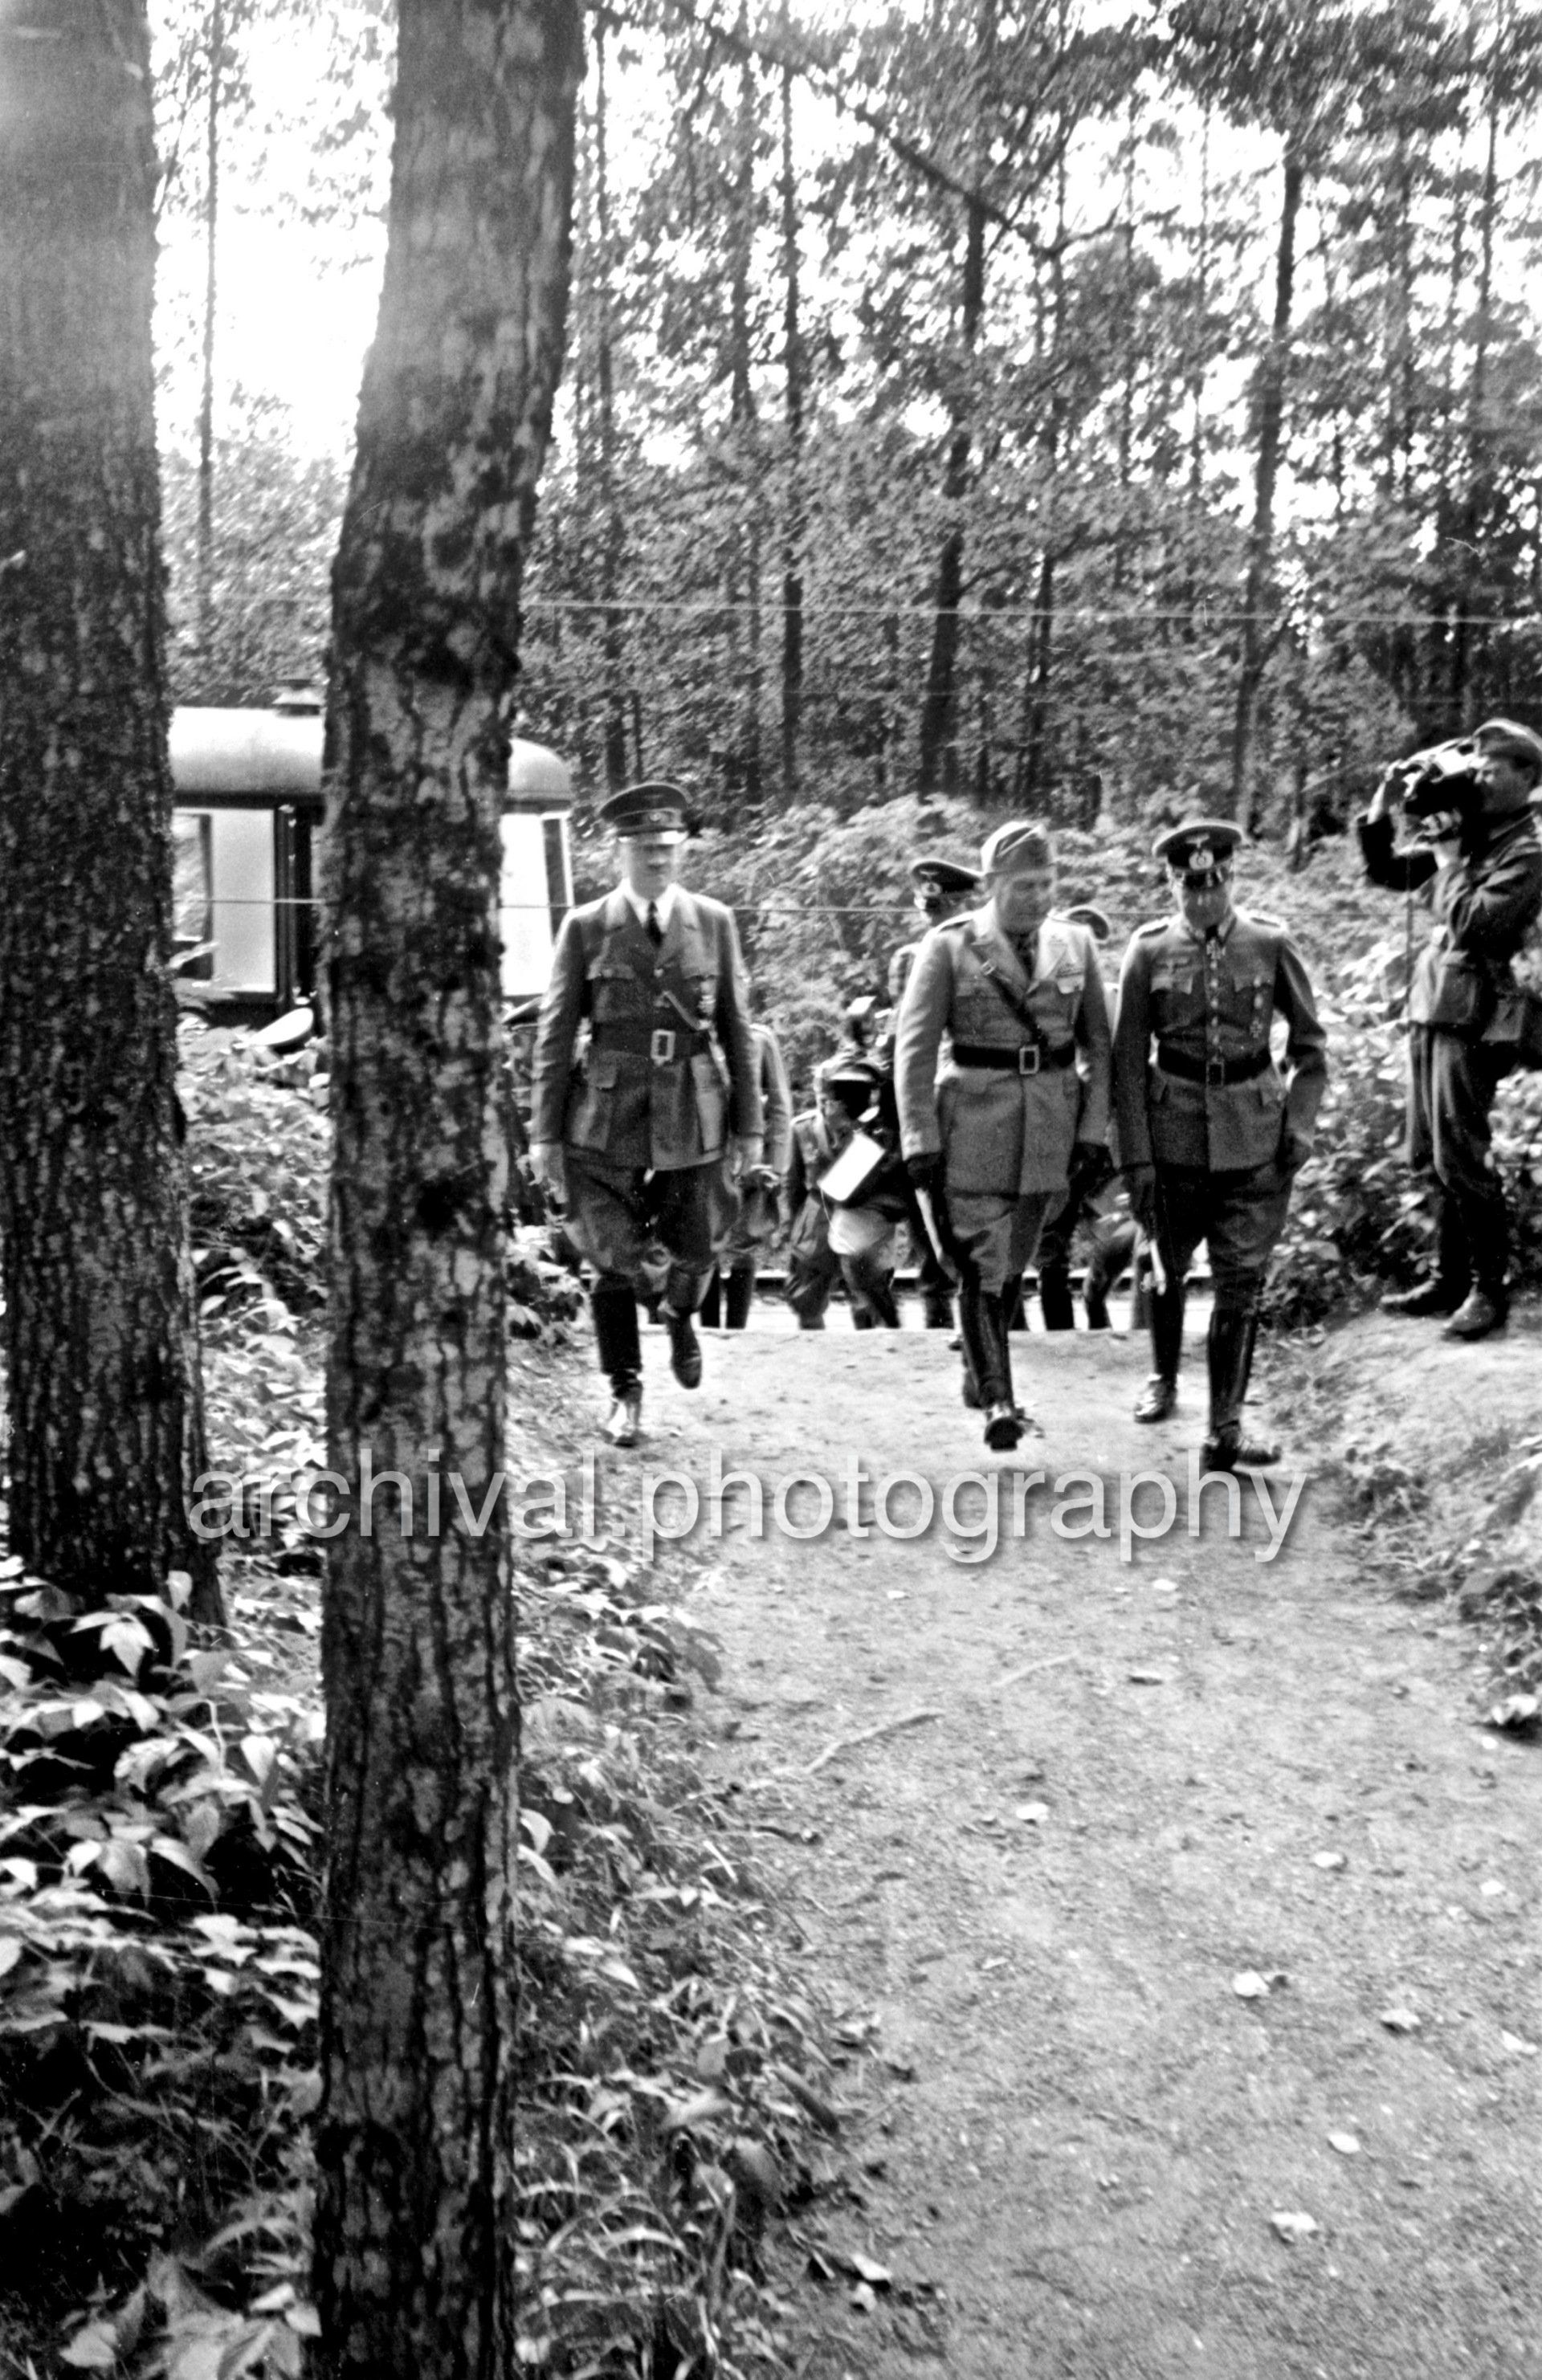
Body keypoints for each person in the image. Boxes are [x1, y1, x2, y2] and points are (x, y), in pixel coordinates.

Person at [528, 781, 763, 1445]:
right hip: (607, 1108)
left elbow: (738, 1030)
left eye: (669, 846)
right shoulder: (586, 925)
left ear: (682, 847)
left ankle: (682, 1314)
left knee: (698, 1242)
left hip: (694, 1104)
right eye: (645, 848)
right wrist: (545, 1131)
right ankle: (624, 1392)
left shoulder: (713, 921)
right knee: (611, 1256)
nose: (659, 860)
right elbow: (555, 1033)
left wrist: (750, 1126)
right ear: (620, 851)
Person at [1113, 819, 1328, 1472]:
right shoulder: (1147, 951)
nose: (1201, 900)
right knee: (1166, 1268)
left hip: (1254, 1135)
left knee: (1240, 1286)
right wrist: (1136, 1156)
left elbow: (1311, 1045)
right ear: (1171, 883)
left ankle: (1224, 1429)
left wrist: (1300, 1125)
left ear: (1230, 878)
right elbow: (1126, 1062)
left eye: (1212, 885)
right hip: (1172, 1133)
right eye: (1188, 887)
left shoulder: (1269, 942)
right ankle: (1164, 1378)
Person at [895, 820, 1112, 1449]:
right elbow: (914, 1052)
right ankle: (1000, 1403)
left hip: (1051, 1126)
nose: (1038, 897)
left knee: (1012, 1263)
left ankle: (981, 1367)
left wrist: (1093, 1132)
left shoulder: (1076, 945)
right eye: (1023, 886)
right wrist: (919, 1140)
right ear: (992, 884)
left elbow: (1099, 1045)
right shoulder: (951, 947)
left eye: (1047, 884)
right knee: (981, 1267)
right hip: (972, 1125)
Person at [1358, 718, 1542, 1340]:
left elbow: (1475, 926)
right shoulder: (1475, 835)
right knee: (1433, 1153)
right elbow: (1388, 871)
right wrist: (1385, 803)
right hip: (1434, 1004)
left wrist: (1449, 859)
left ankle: (1490, 1289)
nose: (1483, 780)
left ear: (1528, 779)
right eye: (1479, 769)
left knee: (1463, 1153)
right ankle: (1449, 1279)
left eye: (1496, 772)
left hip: (1478, 1016)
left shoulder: (1526, 850)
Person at [1033, 903, 1118, 1328]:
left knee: (1119, 1245)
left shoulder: (1114, 997)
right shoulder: (1044, 998)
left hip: (1106, 1140)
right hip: (1063, 1126)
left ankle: (1111, 1327)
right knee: (1051, 1243)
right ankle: (1057, 1335)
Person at [700, 1013, 793, 1328]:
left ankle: (737, 1331)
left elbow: (780, 1105)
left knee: (744, 1242)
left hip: (749, 1157)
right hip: (706, 1156)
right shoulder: (695, 1039)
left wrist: (777, 1166)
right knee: (704, 1244)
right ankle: (710, 1329)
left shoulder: (759, 1040)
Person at [887, 854, 981, 1007]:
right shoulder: (908, 960)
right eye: (933, 911)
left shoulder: (991, 948)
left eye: (942, 911)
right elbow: (905, 1022)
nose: (939, 919)